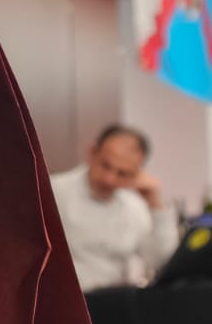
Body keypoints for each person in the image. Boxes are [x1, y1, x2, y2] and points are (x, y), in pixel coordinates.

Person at [50, 124, 179, 291]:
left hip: (113, 302)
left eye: (123, 173)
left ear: (137, 172)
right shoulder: (53, 191)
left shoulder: (134, 207)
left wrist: (156, 205)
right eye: (105, 166)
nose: (109, 180)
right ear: (92, 152)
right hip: (64, 301)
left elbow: (161, 261)